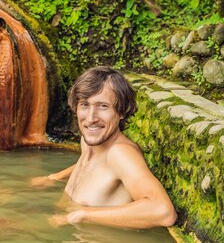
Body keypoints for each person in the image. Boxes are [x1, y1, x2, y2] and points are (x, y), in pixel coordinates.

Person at [31, 66, 177, 229]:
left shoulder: (121, 154)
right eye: (85, 104)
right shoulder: (88, 142)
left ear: (121, 111)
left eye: (103, 106)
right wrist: (55, 177)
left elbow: (162, 211)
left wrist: (83, 215)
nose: (91, 118)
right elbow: (91, 166)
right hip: (64, 228)